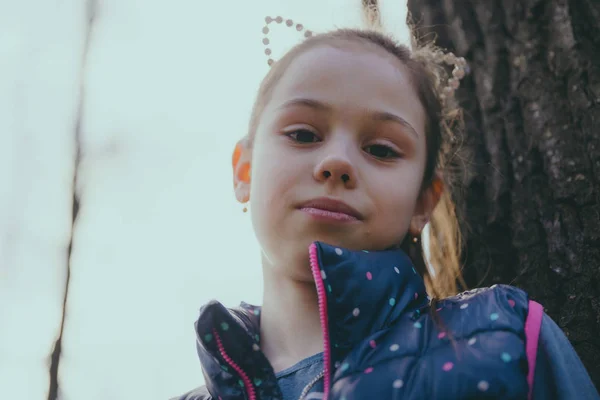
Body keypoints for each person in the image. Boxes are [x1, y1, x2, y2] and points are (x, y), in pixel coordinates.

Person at [172, 14, 599, 400]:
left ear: (421, 203)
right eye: (303, 134)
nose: (337, 161)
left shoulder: (508, 338)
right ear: (244, 171)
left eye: (380, 148)